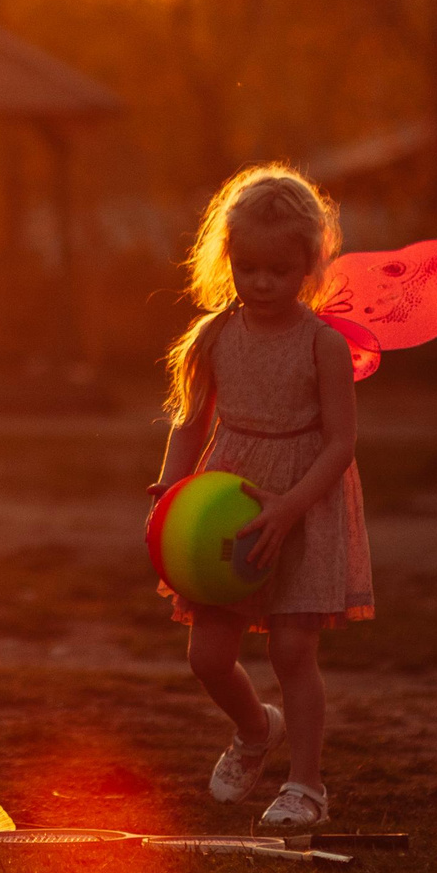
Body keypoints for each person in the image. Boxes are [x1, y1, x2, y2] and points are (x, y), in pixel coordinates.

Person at [146, 165, 368, 832]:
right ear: (227, 260)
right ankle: (253, 729)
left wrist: (290, 506)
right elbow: (190, 422)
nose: (262, 282)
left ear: (309, 263)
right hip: (225, 513)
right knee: (207, 656)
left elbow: (341, 444)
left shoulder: (324, 345)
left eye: (279, 268)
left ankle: (307, 785)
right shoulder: (214, 337)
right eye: (248, 268)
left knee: (293, 652)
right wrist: (169, 491)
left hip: (301, 509)